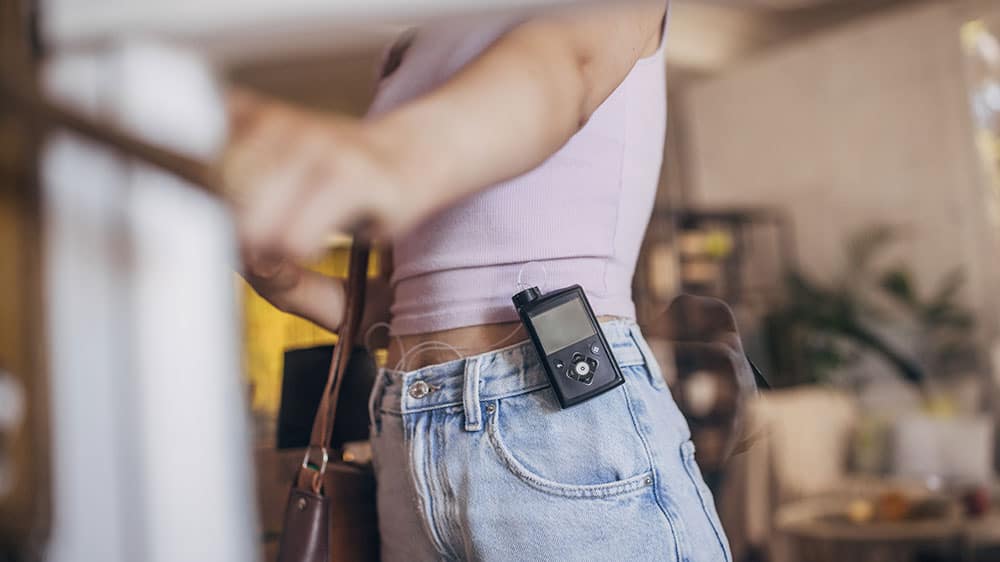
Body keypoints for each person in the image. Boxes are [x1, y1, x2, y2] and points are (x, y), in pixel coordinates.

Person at [225, 1, 731, 560]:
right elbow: (411, 301)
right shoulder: (408, 46)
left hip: (553, 421)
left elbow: (565, 67)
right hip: (405, 427)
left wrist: (381, 157)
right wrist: (289, 285)